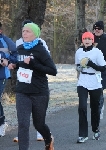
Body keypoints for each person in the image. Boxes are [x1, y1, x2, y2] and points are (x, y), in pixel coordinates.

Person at [8, 22, 56, 150]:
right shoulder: (20, 48)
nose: (24, 33)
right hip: (22, 91)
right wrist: (13, 65)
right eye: (23, 31)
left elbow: (53, 70)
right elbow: (20, 64)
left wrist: (34, 63)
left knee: (39, 124)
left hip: (39, 92)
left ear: (35, 34)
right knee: (23, 124)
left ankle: (48, 138)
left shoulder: (40, 50)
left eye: (28, 31)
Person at [75, 31, 106, 143]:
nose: (87, 41)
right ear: (82, 40)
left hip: (95, 81)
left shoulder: (97, 52)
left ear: (92, 40)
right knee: (82, 107)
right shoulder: (79, 52)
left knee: (95, 108)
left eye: (89, 38)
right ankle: (83, 135)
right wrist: (80, 67)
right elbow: (77, 66)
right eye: (85, 39)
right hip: (83, 81)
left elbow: (103, 68)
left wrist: (91, 63)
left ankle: (96, 129)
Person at [0, 22, 18, 137]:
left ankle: (1, 124)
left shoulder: (6, 41)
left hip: (1, 75)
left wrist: (5, 59)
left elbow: (16, 55)